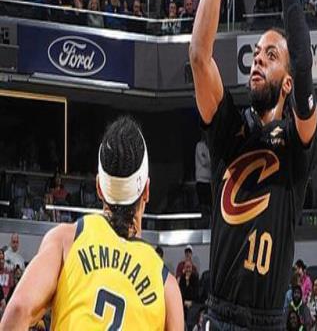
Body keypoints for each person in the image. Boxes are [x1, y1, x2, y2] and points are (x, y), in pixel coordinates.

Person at [189, 0, 317, 327]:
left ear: (288, 82)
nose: (258, 60)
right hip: (220, 315)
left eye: (271, 55)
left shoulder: (297, 144)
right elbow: (198, 56)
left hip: (268, 320)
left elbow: (303, 61)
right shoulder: (230, 130)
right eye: (257, 54)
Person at [0, 117, 184, 330]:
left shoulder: (66, 239)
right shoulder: (167, 286)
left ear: (98, 187)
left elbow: (18, 309)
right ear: (147, 191)